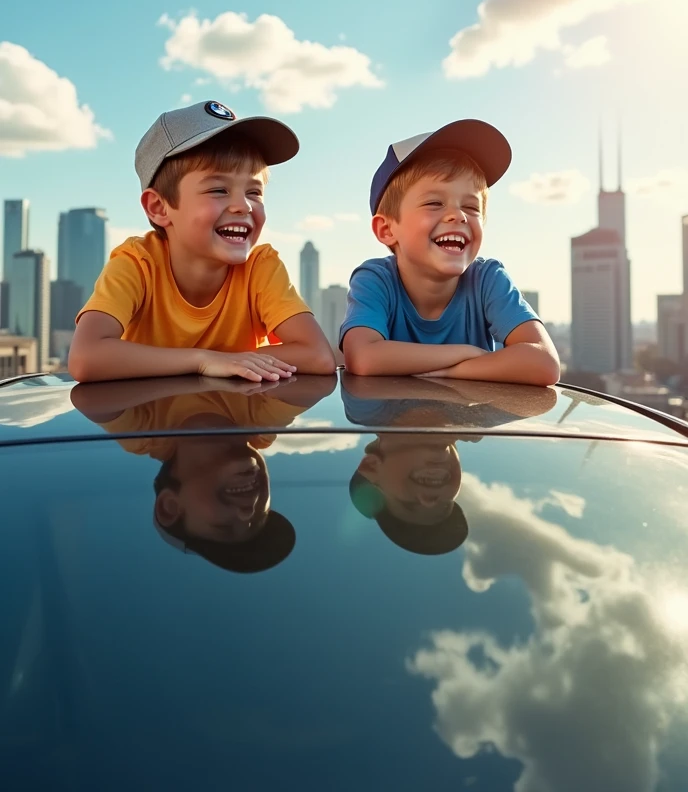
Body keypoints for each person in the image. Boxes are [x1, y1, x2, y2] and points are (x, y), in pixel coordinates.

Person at [68, 99, 336, 383]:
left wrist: (228, 362)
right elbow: (86, 358)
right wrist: (204, 360)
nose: (243, 206)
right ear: (159, 208)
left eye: (254, 192)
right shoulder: (137, 264)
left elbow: (317, 356)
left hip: (241, 421)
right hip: (153, 425)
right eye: (219, 190)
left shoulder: (261, 268)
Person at [340, 120, 560, 386]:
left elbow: (544, 363)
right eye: (434, 203)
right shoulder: (375, 279)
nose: (457, 215)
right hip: (397, 426)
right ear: (386, 229)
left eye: (471, 207)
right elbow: (363, 358)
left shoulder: (487, 279)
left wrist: (451, 372)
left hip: (466, 426)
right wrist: (466, 354)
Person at [71, 373, 338, 573]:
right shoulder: (263, 422)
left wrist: (203, 362)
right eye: (261, 518)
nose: (247, 512)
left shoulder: (141, 432)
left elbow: (89, 390)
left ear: (170, 506)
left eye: (223, 527)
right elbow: (317, 374)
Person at [342, 373, 557, 555]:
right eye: (445, 505)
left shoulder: (365, 404)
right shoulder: (481, 414)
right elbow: (543, 395)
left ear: (371, 466)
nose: (431, 499)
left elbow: (367, 362)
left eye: (409, 504)